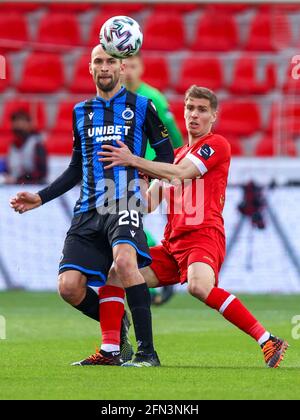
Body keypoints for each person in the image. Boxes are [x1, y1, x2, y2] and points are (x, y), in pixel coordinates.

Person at [98, 85, 289, 368]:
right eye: (190, 108)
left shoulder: (216, 145)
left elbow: (183, 173)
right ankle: (110, 350)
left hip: (203, 236)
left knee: (199, 286)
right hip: (172, 246)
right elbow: (148, 204)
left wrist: (136, 160)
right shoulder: (174, 155)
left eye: (202, 110)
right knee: (117, 272)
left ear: (214, 116)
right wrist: (129, 179)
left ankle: (267, 339)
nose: (194, 115)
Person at [9, 44, 174, 367]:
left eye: (111, 61)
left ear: (122, 67)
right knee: (69, 287)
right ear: (90, 68)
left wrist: (141, 170)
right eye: (98, 61)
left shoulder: (143, 106)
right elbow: (75, 168)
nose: (105, 67)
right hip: (88, 209)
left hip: (124, 200)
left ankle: (147, 353)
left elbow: (168, 157)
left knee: (124, 263)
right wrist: (40, 197)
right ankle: (114, 342)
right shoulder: (80, 111)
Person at [124, 53, 184, 305]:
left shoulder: (153, 97)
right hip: (124, 169)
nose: (128, 71)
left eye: (133, 66)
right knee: (129, 221)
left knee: (130, 220)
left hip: (148, 169)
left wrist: (180, 161)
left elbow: (172, 132)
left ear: (142, 68)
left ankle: (159, 274)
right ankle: (154, 281)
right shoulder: (114, 99)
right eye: (124, 66)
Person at [0, 110, 47, 185]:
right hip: (13, 187)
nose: (18, 125)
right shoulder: (12, 146)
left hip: (33, 187)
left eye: (21, 121)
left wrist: (18, 179)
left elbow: (41, 173)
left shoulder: (37, 144)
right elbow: (10, 170)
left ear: (29, 124)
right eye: (15, 122)